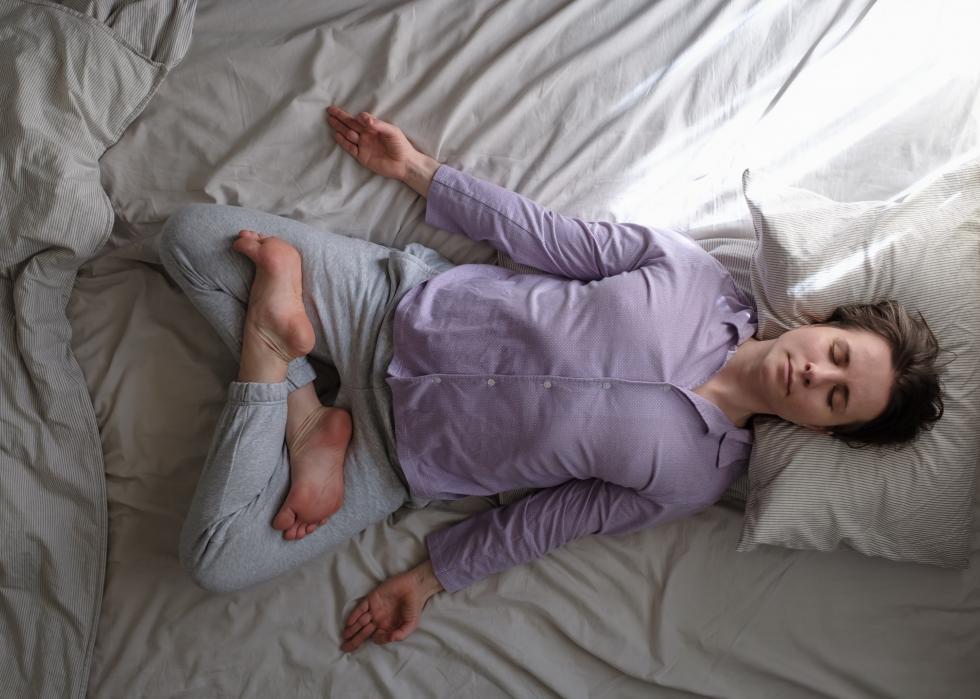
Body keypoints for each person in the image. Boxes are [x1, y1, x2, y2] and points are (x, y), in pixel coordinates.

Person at [157, 105, 944, 655]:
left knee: (219, 559)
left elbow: (550, 520)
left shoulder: (696, 478)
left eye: (835, 396)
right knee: (192, 239)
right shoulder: (692, 274)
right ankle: (299, 404)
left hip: (394, 456)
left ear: (821, 428)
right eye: (837, 353)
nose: (815, 372)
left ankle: (284, 372)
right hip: (393, 308)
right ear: (822, 320)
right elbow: (545, 238)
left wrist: (427, 580)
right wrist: (417, 170)